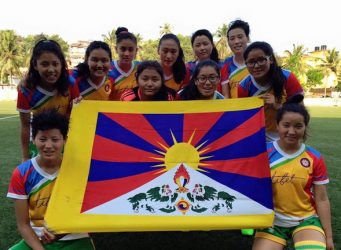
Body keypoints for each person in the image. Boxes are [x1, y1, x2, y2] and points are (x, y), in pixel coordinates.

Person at [7, 109, 94, 250]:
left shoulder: (79, 169)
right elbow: (23, 224)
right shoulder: (21, 173)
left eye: (55, 139)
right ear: (33, 139)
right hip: (38, 238)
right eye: (42, 139)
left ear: (65, 140)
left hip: (74, 235)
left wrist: (61, 231)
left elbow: (88, 212)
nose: (48, 145)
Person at [253, 103, 334, 250]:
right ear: (277, 126)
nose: (291, 131)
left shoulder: (314, 157)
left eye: (298, 126)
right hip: (272, 222)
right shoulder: (263, 152)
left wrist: (328, 237)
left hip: (306, 220)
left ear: (305, 128)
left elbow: (322, 199)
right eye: (286, 125)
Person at [17, 39, 78, 162]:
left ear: (61, 64)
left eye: (55, 64)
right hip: (39, 141)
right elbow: (25, 125)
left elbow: (74, 117)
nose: (51, 69)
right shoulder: (26, 89)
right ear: (35, 65)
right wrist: (25, 156)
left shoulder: (70, 83)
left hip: (63, 140)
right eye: (45, 64)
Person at [238, 41, 304, 141]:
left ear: (271, 59)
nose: (256, 66)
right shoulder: (244, 86)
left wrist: (280, 107)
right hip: (259, 139)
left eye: (261, 60)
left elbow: (301, 112)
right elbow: (244, 119)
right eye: (251, 62)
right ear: (246, 64)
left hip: (288, 136)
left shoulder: (287, 77)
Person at [187, 29, 228, 93]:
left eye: (205, 44)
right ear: (193, 48)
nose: (202, 48)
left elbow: (226, 95)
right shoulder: (188, 67)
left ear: (212, 45)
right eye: (198, 45)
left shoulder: (222, 66)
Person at [222, 19, 251, 99]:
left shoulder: (259, 61)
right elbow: (226, 96)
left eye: (240, 37)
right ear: (228, 42)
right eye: (232, 39)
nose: (236, 42)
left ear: (248, 38)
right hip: (236, 110)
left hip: (258, 110)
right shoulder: (227, 64)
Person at [109, 30, 139, 100]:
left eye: (131, 49)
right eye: (123, 49)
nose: (126, 54)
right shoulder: (107, 69)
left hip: (136, 110)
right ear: (116, 49)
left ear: (136, 50)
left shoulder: (140, 68)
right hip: (113, 110)